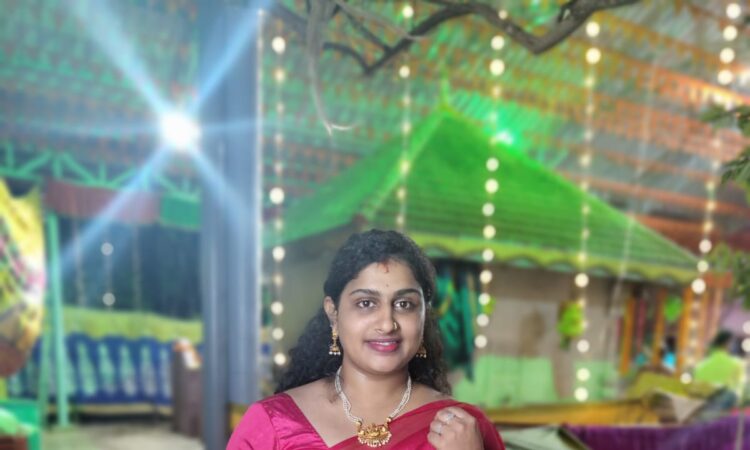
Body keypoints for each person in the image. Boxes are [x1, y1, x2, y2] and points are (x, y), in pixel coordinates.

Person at [227, 230, 505, 449]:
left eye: (405, 304)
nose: (387, 324)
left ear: (424, 316)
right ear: (333, 312)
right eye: (366, 303)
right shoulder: (274, 423)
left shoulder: (464, 428)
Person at [694, 330, 745, 409]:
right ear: (727, 343)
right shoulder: (736, 364)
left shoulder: (701, 365)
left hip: (700, 406)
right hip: (721, 409)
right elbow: (739, 392)